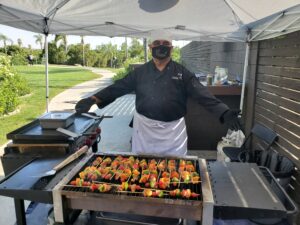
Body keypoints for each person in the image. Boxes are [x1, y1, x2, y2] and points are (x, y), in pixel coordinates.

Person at [75, 31, 240, 156]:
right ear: (150, 47)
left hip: (173, 132)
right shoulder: (140, 73)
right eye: (157, 43)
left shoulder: (182, 73)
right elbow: (119, 87)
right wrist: (93, 99)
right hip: (145, 129)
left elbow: (202, 94)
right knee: (143, 165)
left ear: (171, 48)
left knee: (176, 167)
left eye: (165, 43)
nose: (161, 46)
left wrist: (224, 112)